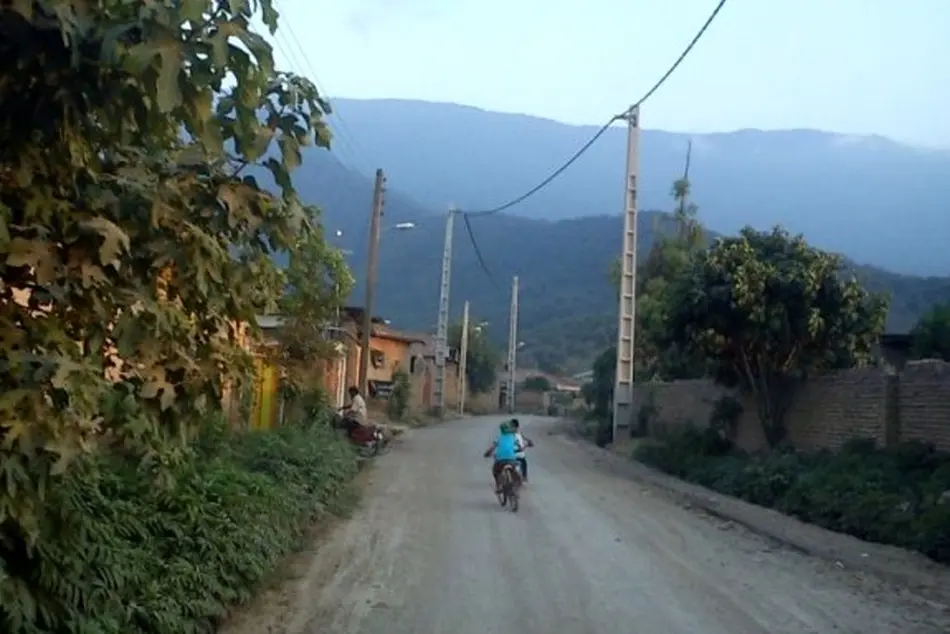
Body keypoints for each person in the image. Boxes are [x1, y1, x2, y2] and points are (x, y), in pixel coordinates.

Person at [483, 421, 523, 494]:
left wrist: (487, 453)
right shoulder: (513, 436)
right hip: (511, 458)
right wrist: (518, 449)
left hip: (500, 459)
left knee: (495, 471)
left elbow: (492, 448)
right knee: (515, 470)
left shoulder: (499, 437)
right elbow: (520, 446)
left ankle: (499, 486)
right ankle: (516, 484)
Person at [510, 418, 534, 483]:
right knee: (524, 462)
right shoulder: (518, 433)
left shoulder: (508, 434)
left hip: (510, 455)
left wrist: (529, 441)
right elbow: (525, 439)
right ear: (518, 426)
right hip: (518, 454)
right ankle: (524, 476)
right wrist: (529, 443)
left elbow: (525, 438)